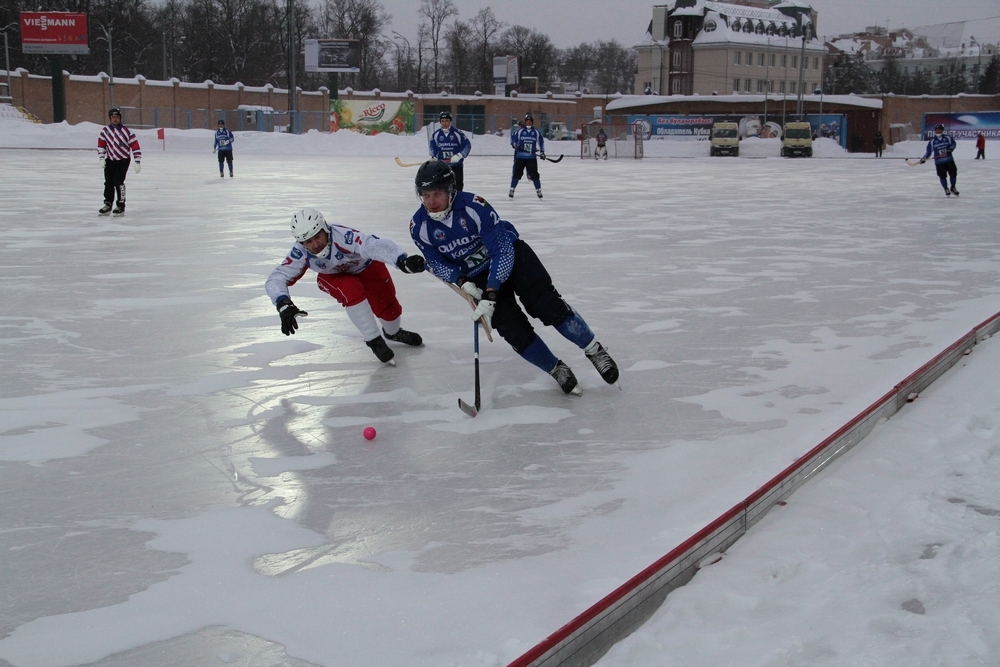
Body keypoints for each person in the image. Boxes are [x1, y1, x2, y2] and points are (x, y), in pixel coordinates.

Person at [409, 161, 619, 395]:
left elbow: (503, 251)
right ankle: (556, 369)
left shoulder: (474, 207)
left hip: (514, 257)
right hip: (475, 278)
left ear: (450, 190)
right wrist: (461, 281)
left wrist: (491, 291)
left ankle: (594, 350)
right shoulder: (419, 226)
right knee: (513, 330)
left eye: (437, 194)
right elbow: (436, 261)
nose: (431, 202)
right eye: (425, 195)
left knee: (546, 305)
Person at [265, 207, 426, 364]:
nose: (315, 245)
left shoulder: (343, 236)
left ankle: (393, 333)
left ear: (325, 228)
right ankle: (374, 340)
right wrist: (282, 302)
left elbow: (371, 244)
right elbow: (277, 277)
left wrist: (401, 260)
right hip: (333, 276)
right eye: (308, 241)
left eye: (317, 237)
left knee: (389, 309)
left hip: (368, 268)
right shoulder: (300, 251)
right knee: (351, 289)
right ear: (301, 242)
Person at [97, 108, 141, 216]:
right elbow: (101, 145)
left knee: (118, 182)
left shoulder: (127, 132)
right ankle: (108, 203)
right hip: (110, 160)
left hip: (123, 160)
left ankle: (121, 204)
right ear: (110, 118)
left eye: (117, 117)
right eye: (113, 117)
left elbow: (135, 146)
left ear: (120, 118)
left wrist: (137, 161)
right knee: (108, 182)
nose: (115, 119)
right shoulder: (105, 131)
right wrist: (102, 158)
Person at [428, 111, 471, 190]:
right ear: (440, 122)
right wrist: (434, 157)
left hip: (456, 166)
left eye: (447, 121)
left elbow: (467, 145)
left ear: (450, 121)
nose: (445, 123)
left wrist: (460, 155)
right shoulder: (436, 134)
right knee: (443, 188)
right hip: (443, 166)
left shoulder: (457, 133)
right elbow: (433, 147)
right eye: (442, 121)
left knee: (457, 187)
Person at [509, 112, 545, 199]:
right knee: (517, 173)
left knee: (534, 175)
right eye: (527, 121)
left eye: (530, 121)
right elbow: (512, 139)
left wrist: (542, 152)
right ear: (525, 122)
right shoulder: (520, 132)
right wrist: (515, 144)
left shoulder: (536, 132)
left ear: (532, 122)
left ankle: (538, 190)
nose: (528, 123)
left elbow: (541, 142)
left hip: (531, 158)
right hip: (520, 157)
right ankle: (512, 189)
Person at [920, 124, 959, 196]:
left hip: (949, 160)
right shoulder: (932, 141)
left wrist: (950, 149)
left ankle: (953, 187)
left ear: (942, 130)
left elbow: (953, 143)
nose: (938, 131)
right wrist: (924, 158)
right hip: (939, 162)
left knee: (953, 173)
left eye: (940, 130)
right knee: (942, 176)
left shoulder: (947, 138)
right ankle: (946, 189)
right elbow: (929, 151)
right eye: (937, 130)